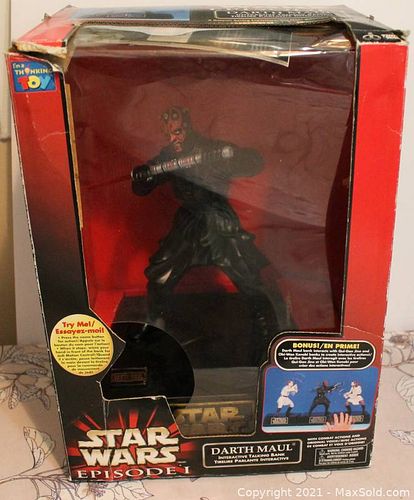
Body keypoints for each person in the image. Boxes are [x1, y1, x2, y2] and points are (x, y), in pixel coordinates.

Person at [131, 106, 278, 358]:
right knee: (160, 275)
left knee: (248, 276)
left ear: (188, 127)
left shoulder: (213, 149)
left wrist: (238, 157)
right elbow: (143, 186)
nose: (175, 138)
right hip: (188, 222)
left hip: (219, 220)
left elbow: (254, 163)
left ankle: (266, 332)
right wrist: (143, 177)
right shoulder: (168, 156)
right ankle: (156, 325)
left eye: (178, 131)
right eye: (169, 134)